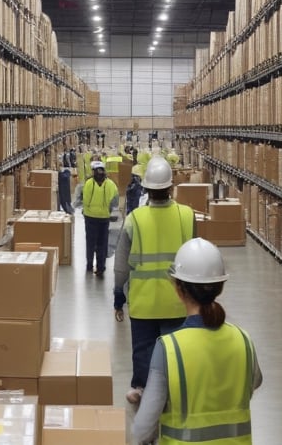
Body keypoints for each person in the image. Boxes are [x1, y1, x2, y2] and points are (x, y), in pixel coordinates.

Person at [132, 238, 262, 444]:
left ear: (179, 289)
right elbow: (254, 382)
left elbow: (141, 431)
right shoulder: (243, 340)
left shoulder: (169, 349)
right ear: (220, 287)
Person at [113, 156, 196, 404]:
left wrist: (118, 296)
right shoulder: (186, 215)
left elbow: (121, 266)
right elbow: (196, 257)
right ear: (171, 187)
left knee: (143, 348)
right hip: (177, 300)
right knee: (175, 349)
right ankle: (174, 388)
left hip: (143, 301)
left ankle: (141, 387)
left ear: (146, 188)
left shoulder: (134, 219)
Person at [75, 161, 119, 276]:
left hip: (90, 217)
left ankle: (89, 265)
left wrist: (83, 208)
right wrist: (109, 211)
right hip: (104, 218)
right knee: (102, 244)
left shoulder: (88, 183)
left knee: (90, 242)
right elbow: (115, 201)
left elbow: (79, 198)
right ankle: (101, 267)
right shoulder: (111, 185)